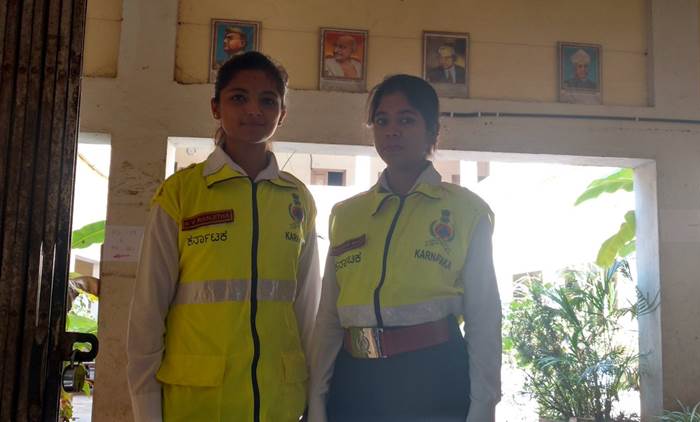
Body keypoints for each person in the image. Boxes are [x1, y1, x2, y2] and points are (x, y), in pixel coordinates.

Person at [127, 51, 320, 422]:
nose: (254, 110)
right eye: (238, 97)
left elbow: (307, 313)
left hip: (279, 403)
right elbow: (147, 317)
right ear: (216, 107)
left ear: (282, 113)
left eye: (268, 100)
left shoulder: (297, 199)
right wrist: (146, 412)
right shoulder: (180, 194)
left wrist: (315, 405)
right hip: (197, 404)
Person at [308, 74, 502, 422]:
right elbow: (328, 318)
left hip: (433, 376)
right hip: (354, 380)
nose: (392, 131)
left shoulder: (467, 211)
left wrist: (483, 407)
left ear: (433, 131)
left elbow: (484, 317)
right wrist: (317, 397)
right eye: (382, 121)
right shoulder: (346, 215)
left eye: (407, 120)